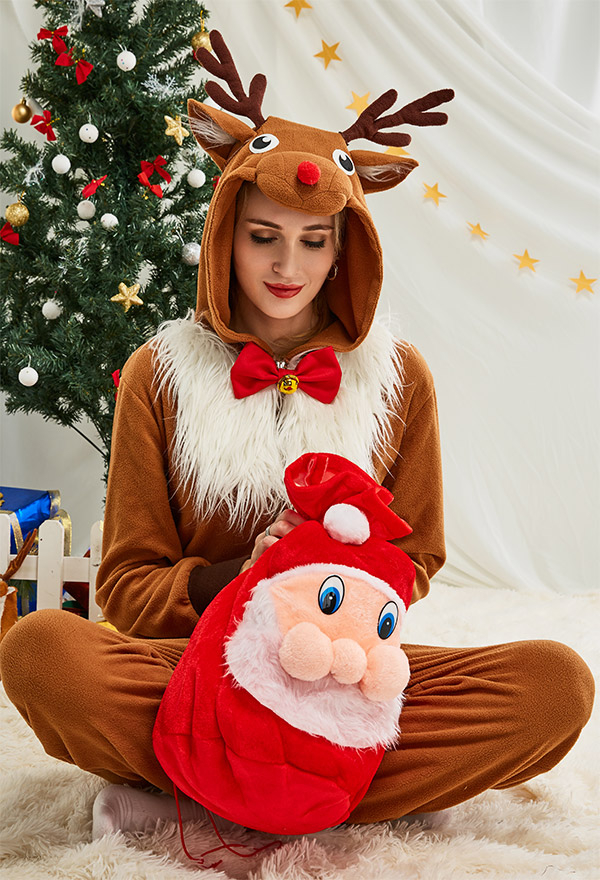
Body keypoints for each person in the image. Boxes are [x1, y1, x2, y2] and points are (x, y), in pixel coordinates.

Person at [0, 31, 594, 842]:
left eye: (314, 242)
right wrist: (239, 576)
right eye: (264, 236)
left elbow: (417, 558)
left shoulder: (400, 379)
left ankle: (201, 790)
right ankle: (351, 790)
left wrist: (329, 571)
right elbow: (129, 589)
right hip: (197, 667)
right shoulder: (157, 374)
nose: (288, 267)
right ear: (226, 236)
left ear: (345, 249)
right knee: (42, 652)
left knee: (555, 684)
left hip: (340, 670)